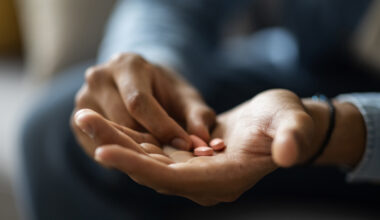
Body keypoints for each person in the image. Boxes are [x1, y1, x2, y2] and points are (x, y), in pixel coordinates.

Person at [20, 0, 380, 219]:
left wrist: (343, 128)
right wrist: (153, 69)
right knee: (56, 132)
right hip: (317, 67)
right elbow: (173, 6)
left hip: (357, 113)